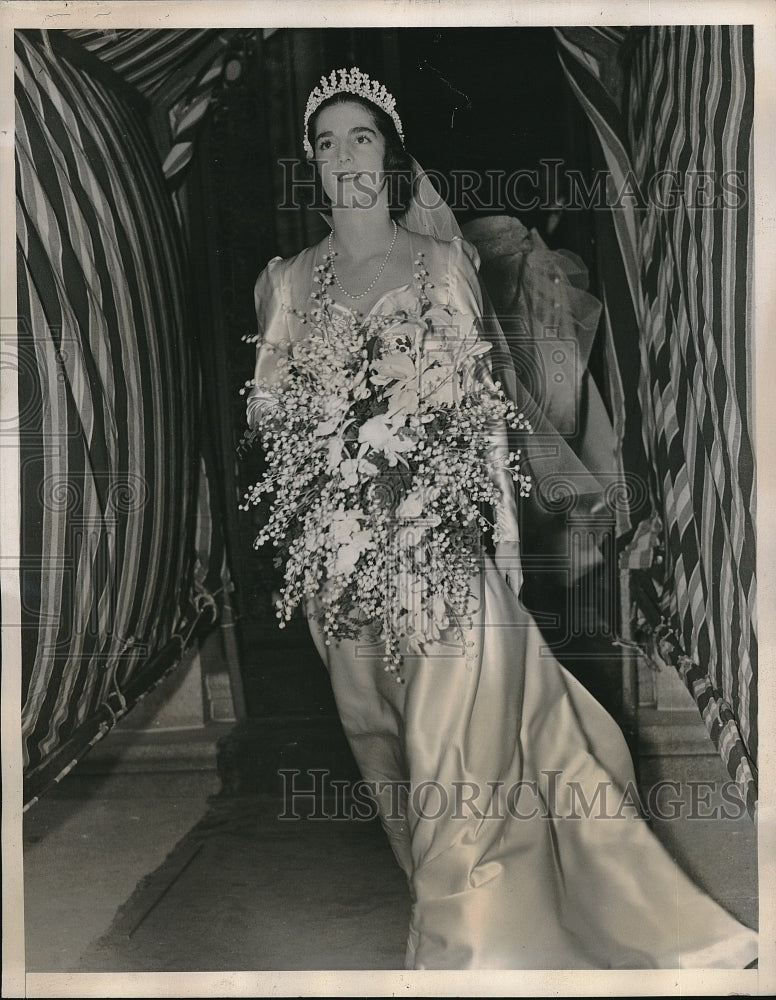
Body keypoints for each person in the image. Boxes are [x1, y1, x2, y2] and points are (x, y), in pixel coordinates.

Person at [244, 67, 758, 970]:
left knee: (454, 759)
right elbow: (268, 412)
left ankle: (461, 960)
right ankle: (449, 914)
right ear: (312, 167)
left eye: (361, 138)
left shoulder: (442, 265)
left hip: (440, 554)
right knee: (379, 747)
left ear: (392, 158)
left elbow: (484, 415)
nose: (343, 159)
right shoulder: (288, 282)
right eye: (325, 145)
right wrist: (325, 456)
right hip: (341, 560)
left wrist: (503, 546)